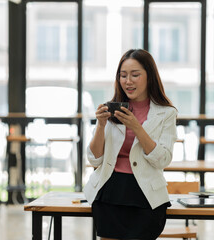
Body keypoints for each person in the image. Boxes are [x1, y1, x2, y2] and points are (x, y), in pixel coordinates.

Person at [83, 49, 177, 240]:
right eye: (123, 76)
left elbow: (163, 160)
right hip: (110, 191)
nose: (128, 81)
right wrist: (101, 125)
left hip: (145, 196)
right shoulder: (111, 109)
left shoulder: (166, 113)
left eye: (135, 75)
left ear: (149, 77)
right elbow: (94, 159)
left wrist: (137, 127)